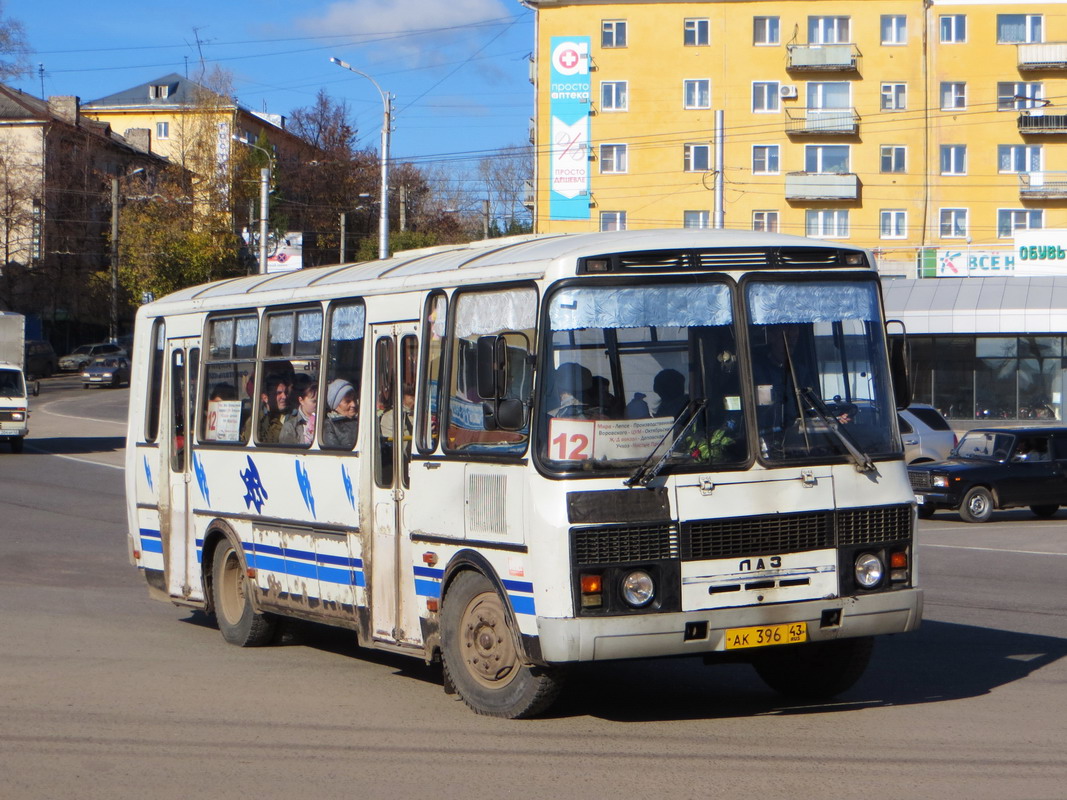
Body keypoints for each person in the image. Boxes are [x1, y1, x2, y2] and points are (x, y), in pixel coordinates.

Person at [280, 373, 318, 445]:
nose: (318, 405)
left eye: (320, 401)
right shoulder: (290, 427)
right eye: (314, 401)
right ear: (301, 400)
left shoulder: (326, 422)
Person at [323, 378, 358, 449]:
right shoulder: (330, 425)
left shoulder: (363, 419)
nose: (353, 404)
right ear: (336, 406)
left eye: (354, 399)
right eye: (348, 401)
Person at [256, 372, 290, 444]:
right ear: (265, 398)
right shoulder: (255, 421)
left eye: (286, 392)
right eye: (278, 393)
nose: (284, 397)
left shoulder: (292, 417)